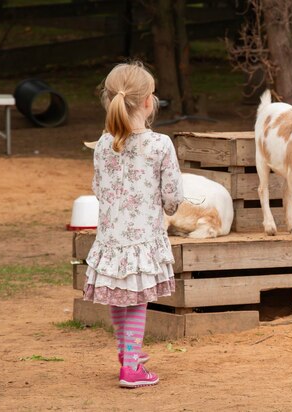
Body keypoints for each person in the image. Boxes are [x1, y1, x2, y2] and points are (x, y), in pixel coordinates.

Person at [83, 61, 183, 388]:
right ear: (147, 102)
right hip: (143, 239)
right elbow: (172, 196)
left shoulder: (101, 144)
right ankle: (131, 368)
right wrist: (168, 207)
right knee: (138, 299)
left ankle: (126, 352)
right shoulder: (160, 144)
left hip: (110, 239)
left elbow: (98, 189)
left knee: (118, 296)